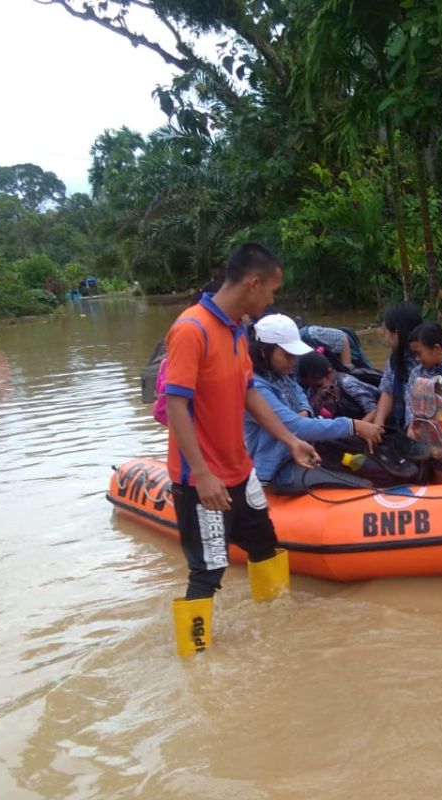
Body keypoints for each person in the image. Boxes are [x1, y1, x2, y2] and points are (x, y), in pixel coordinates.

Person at [163, 243, 320, 657]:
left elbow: (248, 393)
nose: (272, 300)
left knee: (265, 544)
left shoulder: (236, 330)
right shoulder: (190, 330)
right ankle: (195, 662)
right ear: (253, 284)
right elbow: (176, 404)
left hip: (240, 470)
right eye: (271, 291)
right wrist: (201, 474)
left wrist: (290, 439)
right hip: (203, 479)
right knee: (207, 571)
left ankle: (278, 631)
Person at [244, 314, 383, 493]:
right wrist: (354, 425)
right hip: (280, 469)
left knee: (368, 470)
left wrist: (305, 411)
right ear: (264, 352)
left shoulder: (281, 375)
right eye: (287, 355)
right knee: (361, 487)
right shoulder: (256, 388)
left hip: (307, 452)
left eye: (294, 356)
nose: (293, 361)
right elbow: (295, 427)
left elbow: (300, 395)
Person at [371, 301, 424, 431]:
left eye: (385, 329)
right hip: (404, 426)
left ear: (395, 333)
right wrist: (378, 423)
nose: (383, 333)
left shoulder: (426, 360)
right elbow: (388, 392)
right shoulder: (395, 357)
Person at [296, 350, 379, 421]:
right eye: (312, 388)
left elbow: (373, 410)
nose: (318, 392)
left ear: (330, 373)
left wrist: (357, 430)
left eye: (319, 386)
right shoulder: (312, 390)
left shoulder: (348, 384)